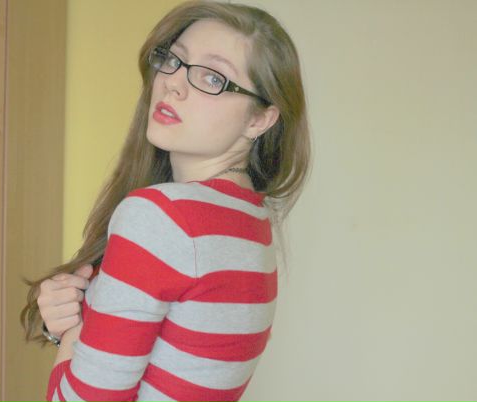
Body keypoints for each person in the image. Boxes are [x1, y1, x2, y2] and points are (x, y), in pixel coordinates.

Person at [20, 1, 311, 401]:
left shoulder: (162, 217)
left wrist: (73, 329)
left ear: (259, 119)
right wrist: (84, 315)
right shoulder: (251, 221)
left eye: (213, 78)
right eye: (174, 60)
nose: (174, 83)